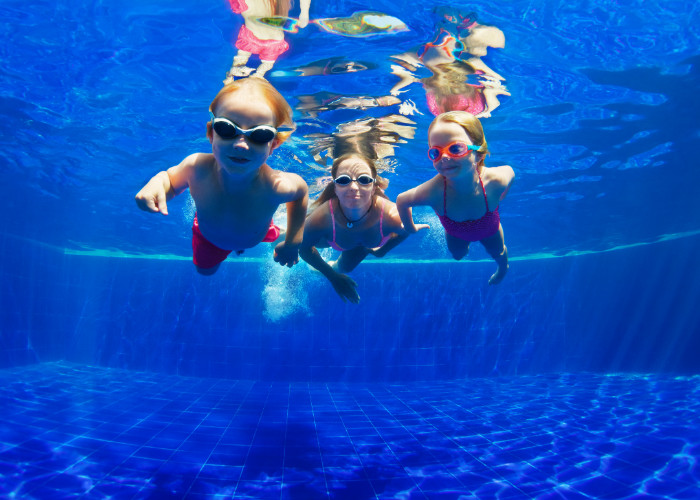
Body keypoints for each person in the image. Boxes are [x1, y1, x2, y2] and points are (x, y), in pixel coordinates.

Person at [135, 78, 308, 275]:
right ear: (211, 134)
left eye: (260, 134)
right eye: (227, 129)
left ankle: (278, 234)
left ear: (274, 145)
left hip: (258, 233)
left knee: (271, 233)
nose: (241, 144)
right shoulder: (196, 167)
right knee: (205, 272)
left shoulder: (276, 186)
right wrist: (158, 181)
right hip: (210, 239)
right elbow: (170, 181)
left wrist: (294, 241)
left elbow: (300, 192)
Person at [396, 111, 513, 284]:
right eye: (435, 152)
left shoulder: (495, 181)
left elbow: (511, 173)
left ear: (479, 153)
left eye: (456, 148)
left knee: (498, 253)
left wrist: (501, 195)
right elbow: (402, 200)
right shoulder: (433, 191)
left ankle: (503, 269)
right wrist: (410, 227)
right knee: (458, 255)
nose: (444, 157)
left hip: (490, 229)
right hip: (455, 233)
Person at [300, 153, 427, 303]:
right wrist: (333, 278)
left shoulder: (392, 215)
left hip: (359, 246)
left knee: (343, 268)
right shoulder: (323, 217)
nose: (354, 187)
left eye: (364, 180)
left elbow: (405, 231)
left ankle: (314, 269)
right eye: (343, 180)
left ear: (374, 187)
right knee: (292, 239)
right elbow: (303, 248)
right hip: (328, 237)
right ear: (335, 188)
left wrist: (383, 251)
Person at [224, 0, 311, 82]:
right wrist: (304, 13)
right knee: (266, 65)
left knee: (240, 60)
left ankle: (230, 78)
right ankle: (258, 75)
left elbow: (237, 7)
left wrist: (304, 13)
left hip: (250, 37)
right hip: (273, 43)